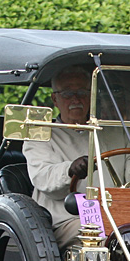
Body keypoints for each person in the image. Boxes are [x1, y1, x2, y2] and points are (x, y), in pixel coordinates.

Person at [22, 67, 92, 249]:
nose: (76, 99)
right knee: (102, 231)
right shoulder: (40, 134)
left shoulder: (114, 132)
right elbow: (43, 177)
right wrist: (70, 169)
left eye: (82, 92)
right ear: (55, 99)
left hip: (119, 215)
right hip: (65, 221)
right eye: (68, 93)